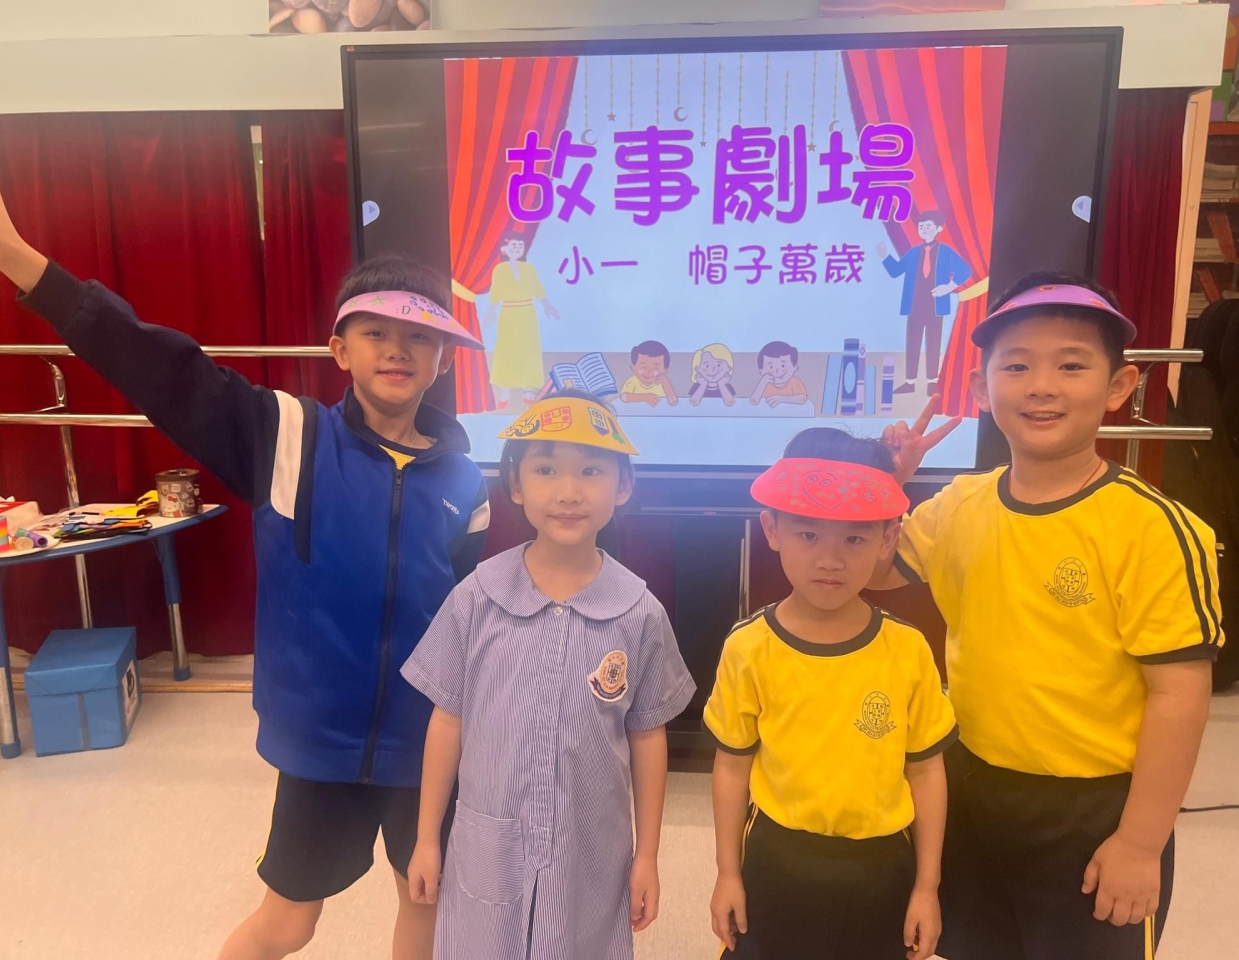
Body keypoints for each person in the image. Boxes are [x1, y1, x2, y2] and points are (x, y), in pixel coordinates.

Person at [0, 133, 490, 960]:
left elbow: (469, 623)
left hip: (425, 743)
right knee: (287, 921)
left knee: (428, 903)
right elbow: (161, 369)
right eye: (374, 331)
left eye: (419, 337)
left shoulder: (465, 480)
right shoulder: (285, 435)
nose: (397, 349)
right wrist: (26, 265)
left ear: (444, 360)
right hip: (318, 743)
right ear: (339, 350)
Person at [873, 274, 1224, 959]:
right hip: (972, 784)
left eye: (1070, 365)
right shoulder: (958, 505)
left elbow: (1180, 696)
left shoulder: (1153, 528)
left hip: (1096, 811)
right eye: (1016, 366)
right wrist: (889, 486)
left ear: (1119, 387)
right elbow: (876, 572)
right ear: (980, 389)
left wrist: (1140, 843)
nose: (1041, 386)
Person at [402, 391, 695, 960]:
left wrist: (648, 855)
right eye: (545, 470)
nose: (568, 491)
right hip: (490, 843)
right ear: (515, 485)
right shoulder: (477, 597)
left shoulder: (639, 612)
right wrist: (426, 839)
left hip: (591, 849)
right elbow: (447, 721)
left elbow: (647, 736)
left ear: (623, 485)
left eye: (591, 470)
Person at [706, 428, 957, 960]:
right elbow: (731, 766)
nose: (830, 559)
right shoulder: (748, 646)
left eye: (854, 539)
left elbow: (926, 771)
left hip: (882, 868)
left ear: (888, 540)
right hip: (776, 861)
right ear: (772, 529)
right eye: (808, 534)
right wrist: (727, 873)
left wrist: (927, 887)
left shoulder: (907, 649)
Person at [877, 210, 972, 398]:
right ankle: (910, 382)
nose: (924, 229)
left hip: (936, 306)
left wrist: (949, 287)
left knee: (933, 343)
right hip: (914, 305)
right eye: (921, 227)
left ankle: (932, 382)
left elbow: (964, 270)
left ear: (939, 228)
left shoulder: (945, 251)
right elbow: (895, 271)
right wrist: (884, 255)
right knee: (912, 342)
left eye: (928, 226)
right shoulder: (913, 253)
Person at [488, 233, 560, 408]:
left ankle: (529, 389)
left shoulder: (528, 268)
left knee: (529, 349)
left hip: (527, 313)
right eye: (514, 245)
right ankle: (505, 390)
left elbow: (537, 287)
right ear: (504, 249)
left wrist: (547, 305)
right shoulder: (499, 269)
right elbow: (496, 292)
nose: (518, 248)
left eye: (520, 245)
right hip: (508, 314)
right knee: (507, 350)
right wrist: (490, 311)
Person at [748, 340, 809, 409]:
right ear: (761, 371)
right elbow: (754, 401)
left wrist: (781, 399)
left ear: (795, 367)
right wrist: (762, 382)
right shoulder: (765, 384)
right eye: (771, 367)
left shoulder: (794, 382)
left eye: (783, 366)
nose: (777, 371)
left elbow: (802, 399)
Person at [621, 339, 679, 406]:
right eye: (643, 367)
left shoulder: (662, 382)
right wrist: (645, 397)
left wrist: (666, 383)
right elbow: (624, 397)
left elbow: (673, 402)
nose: (648, 372)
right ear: (633, 367)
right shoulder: (632, 381)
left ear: (665, 371)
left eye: (655, 368)